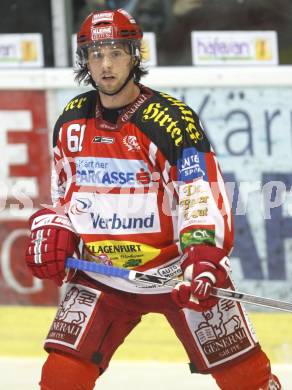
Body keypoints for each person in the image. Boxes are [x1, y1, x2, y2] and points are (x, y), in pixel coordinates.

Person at [24, 8, 281, 390]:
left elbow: (199, 193)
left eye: (115, 52)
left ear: (134, 55)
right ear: (85, 61)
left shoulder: (170, 120)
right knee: (60, 377)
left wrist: (203, 261)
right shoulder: (71, 120)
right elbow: (65, 193)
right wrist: (53, 225)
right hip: (104, 274)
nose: (106, 64)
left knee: (247, 380)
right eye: (96, 54)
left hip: (179, 274)